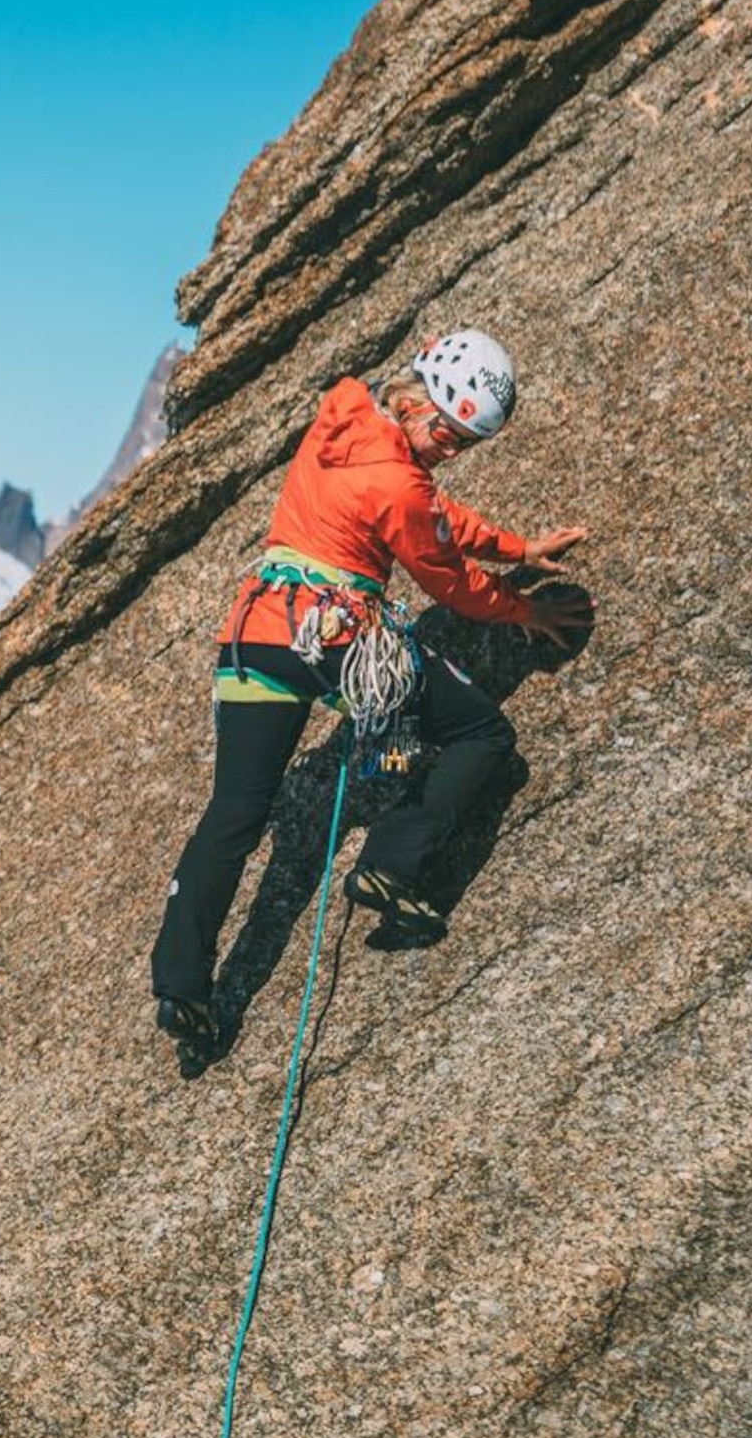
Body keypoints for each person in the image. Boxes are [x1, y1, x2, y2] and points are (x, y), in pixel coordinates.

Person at [150, 329, 592, 1047]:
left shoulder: (344, 414)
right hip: (334, 638)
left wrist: (516, 548)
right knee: (480, 734)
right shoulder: (396, 478)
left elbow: (434, 514)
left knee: (234, 813)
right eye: (447, 434)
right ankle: (389, 865)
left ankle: (181, 982)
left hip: (258, 630)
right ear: (418, 402)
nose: (451, 449)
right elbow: (444, 572)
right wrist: (523, 606)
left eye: (463, 443)